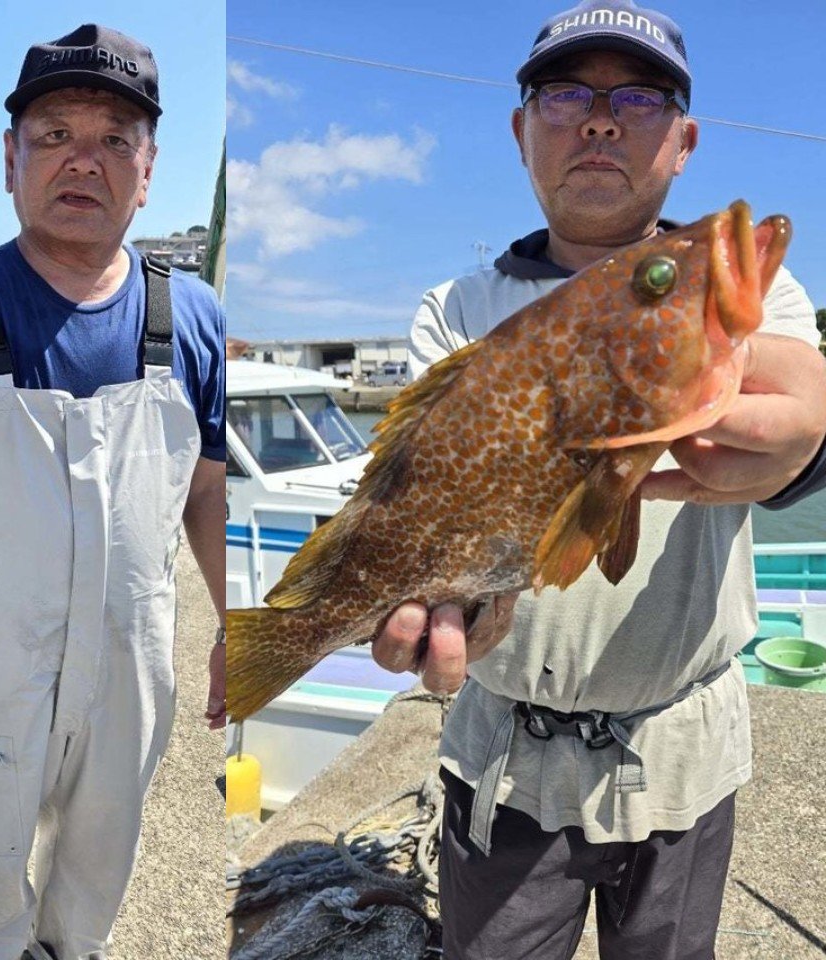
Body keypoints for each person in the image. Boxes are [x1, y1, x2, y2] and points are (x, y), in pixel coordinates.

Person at [371, 2, 826, 957]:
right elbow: (422, 486)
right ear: (521, 128)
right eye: (567, 92)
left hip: (685, 760)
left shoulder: (745, 291)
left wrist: (807, 449)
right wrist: (451, 595)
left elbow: (796, 406)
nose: (601, 118)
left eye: (640, 96)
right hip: (503, 760)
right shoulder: (457, 309)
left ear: (685, 138)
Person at [0, 24, 226, 960]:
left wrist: (238, 628)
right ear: (10, 158)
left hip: (133, 661)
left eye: (114, 139)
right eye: (54, 135)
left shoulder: (195, 314)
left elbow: (205, 487)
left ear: (149, 167)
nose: (82, 161)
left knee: (99, 869)